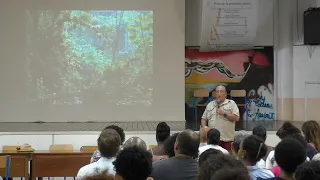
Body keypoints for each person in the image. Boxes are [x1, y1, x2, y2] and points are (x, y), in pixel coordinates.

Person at [201, 85, 240, 151]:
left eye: (221, 91)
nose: (219, 93)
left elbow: (236, 118)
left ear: (225, 94)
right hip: (212, 140)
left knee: (227, 158)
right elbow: (203, 118)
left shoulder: (231, 104)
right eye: (217, 92)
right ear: (215, 94)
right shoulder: (210, 104)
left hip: (226, 139)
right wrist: (204, 127)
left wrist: (224, 114)